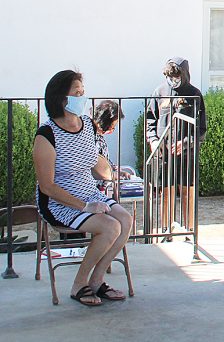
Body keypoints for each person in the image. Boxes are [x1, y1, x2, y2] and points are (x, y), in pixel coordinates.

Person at [34, 70, 132, 306]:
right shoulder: (46, 135)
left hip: (89, 192)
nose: (82, 97)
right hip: (59, 202)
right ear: (61, 99)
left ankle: (97, 281)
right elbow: (47, 186)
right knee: (110, 227)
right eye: (76, 93)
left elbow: (94, 161)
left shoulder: (87, 124)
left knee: (125, 220)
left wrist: (114, 173)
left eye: (83, 92)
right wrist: (86, 207)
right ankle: (79, 284)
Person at [146, 57, 206, 236]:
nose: (173, 80)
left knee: (187, 192)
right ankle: (166, 230)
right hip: (164, 153)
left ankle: (189, 230)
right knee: (166, 192)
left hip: (186, 153)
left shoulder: (194, 93)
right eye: (170, 77)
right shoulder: (159, 91)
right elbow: (150, 120)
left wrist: (186, 143)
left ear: (185, 75)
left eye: (176, 76)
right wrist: (153, 140)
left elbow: (201, 128)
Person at [92, 100, 129, 198]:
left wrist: (117, 170)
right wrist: (112, 174)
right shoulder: (91, 137)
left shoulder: (99, 137)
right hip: (93, 188)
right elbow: (95, 165)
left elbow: (105, 160)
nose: (112, 130)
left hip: (101, 188)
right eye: (112, 126)